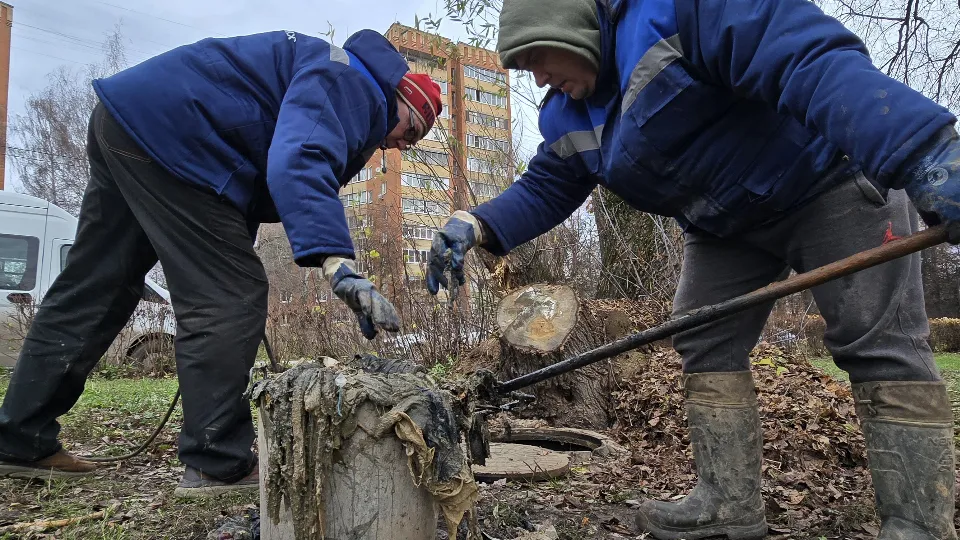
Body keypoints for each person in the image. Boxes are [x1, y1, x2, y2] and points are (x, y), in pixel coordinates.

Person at [425, 0, 959, 538]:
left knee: (875, 340)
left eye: (537, 58)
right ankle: (729, 504)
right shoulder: (568, 114)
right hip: (727, 225)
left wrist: (923, 149)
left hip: (825, 179)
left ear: (570, 29)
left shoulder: (676, 14)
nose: (538, 77)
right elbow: (548, 184)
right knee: (704, 336)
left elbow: (804, 57)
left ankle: (918, 524)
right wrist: (475, 223)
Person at [0, 29, 443, 498]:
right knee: (229, 296)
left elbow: (257, 162)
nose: (401, 145)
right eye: (411, 130)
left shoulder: (333, 71)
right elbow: (301, 157)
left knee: (97, 285)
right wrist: (338, 265)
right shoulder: (354, 82)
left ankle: (19, 438)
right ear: (399, 97)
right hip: (178, 137)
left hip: (132, 120)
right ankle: (217, 462)